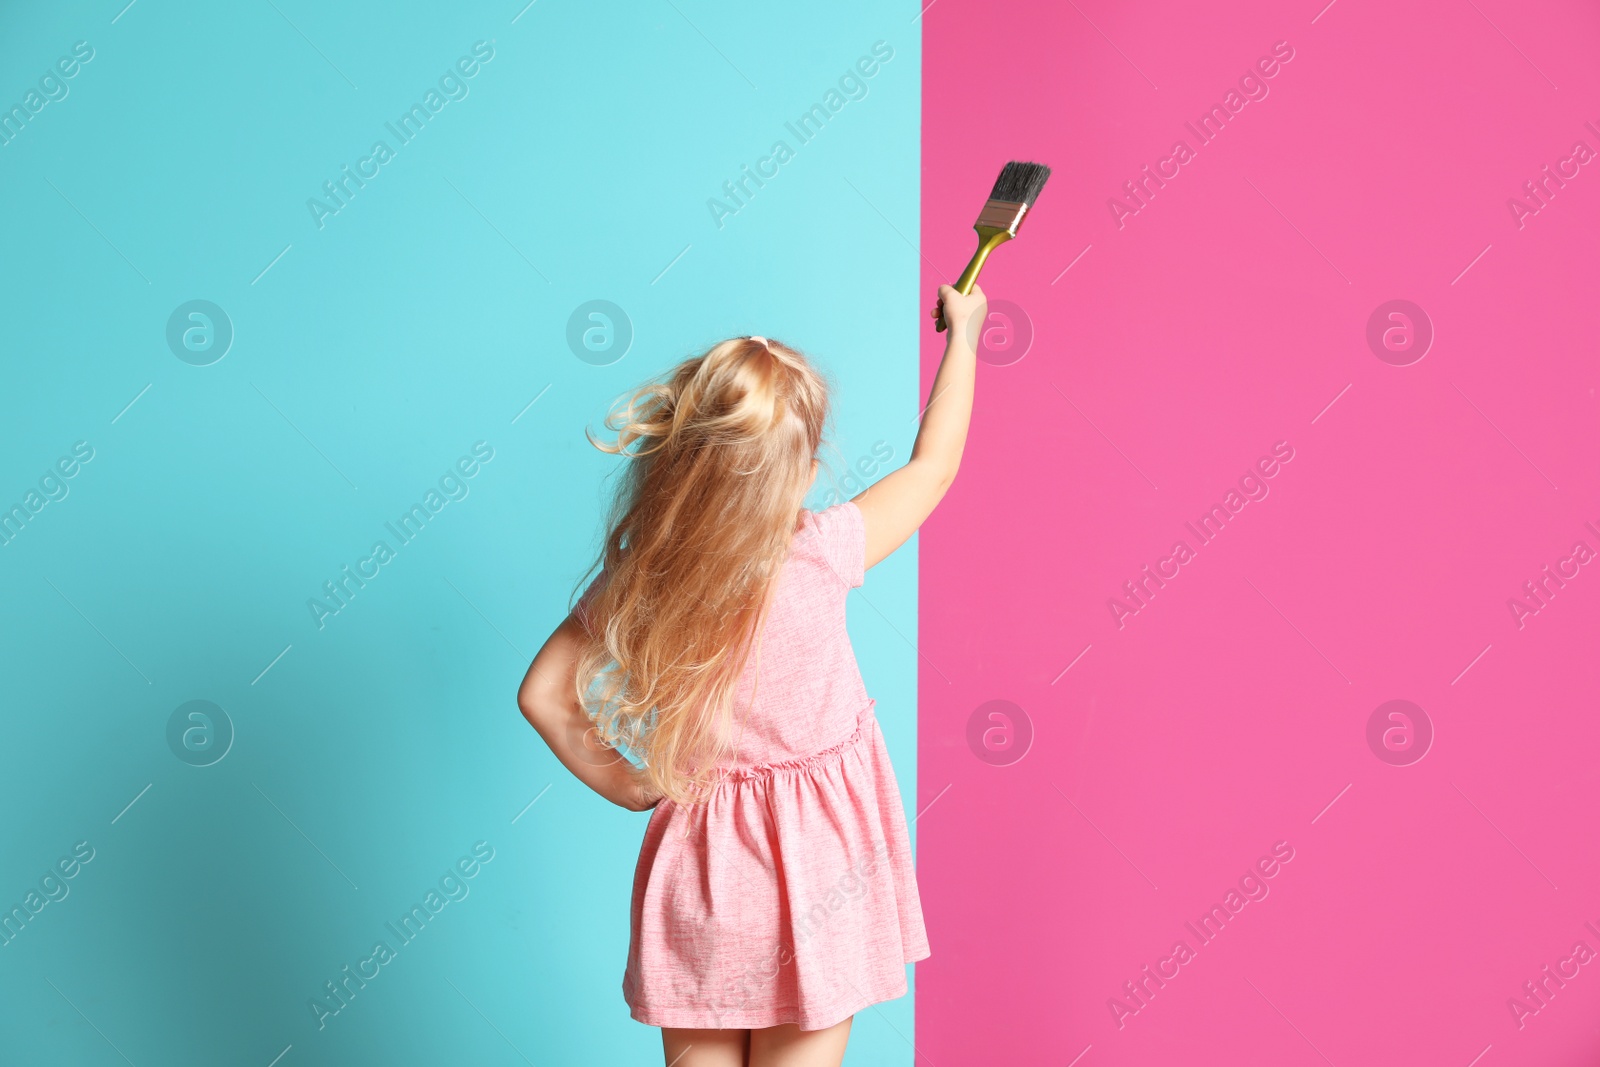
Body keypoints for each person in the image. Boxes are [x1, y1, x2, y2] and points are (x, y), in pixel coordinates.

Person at [517, 284, 988, 1066]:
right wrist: (963, 334)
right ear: (798, 474)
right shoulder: (821, 551)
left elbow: (542, 693)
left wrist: (633, 783)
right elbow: (933, 467)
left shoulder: (647, 579)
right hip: (822, 878)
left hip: (705, 881)